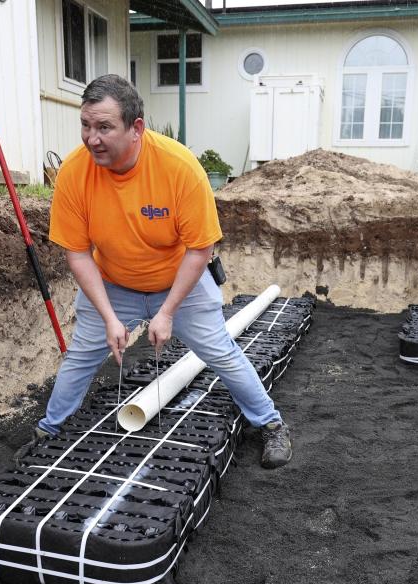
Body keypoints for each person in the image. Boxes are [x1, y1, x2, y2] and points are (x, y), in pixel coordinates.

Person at [36, 74, 292, 469]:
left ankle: (271, 424)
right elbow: (78, 253)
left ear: (136, 128)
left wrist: (168, 311)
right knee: (82, 357)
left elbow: (200, 247)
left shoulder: (178, 168)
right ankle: (49, 430)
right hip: (112, 284)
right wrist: (108, 317)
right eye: (86, 125)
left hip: (179, 285)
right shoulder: (74, 172)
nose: (91, 138)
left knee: (220, 352)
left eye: (104, 127)